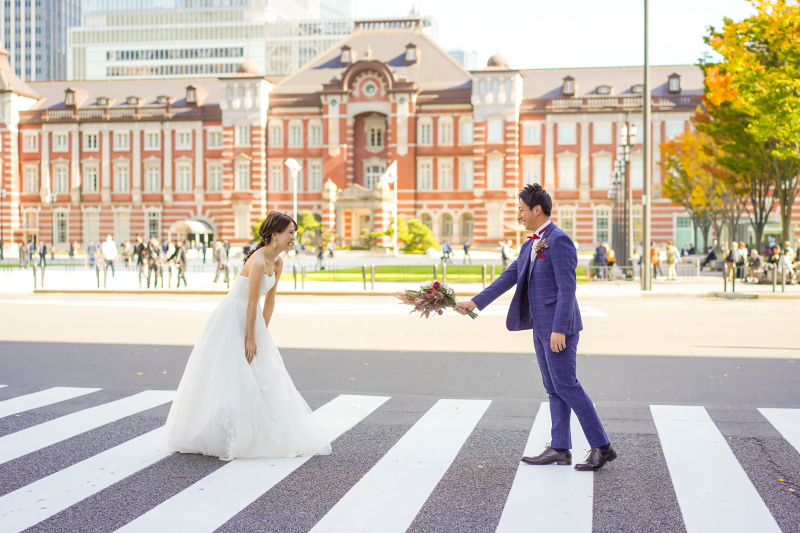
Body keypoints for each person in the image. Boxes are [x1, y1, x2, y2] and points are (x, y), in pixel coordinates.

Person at [455, 184, 616, 471]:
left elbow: (567, 289)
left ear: (536, 210)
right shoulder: (531, 244)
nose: (518, 215)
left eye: (521, 209)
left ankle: (602, 447)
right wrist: (475, 302)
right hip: (541, 326)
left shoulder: (559, 241)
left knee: (566, 385)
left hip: (557, 329)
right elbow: (509, 277)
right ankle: (560, 448)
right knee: (553, 387)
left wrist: (559, 329)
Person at [163, 211, 331, 461]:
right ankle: (215, 433)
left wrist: (262, 333)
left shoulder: (278, 262)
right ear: (275, 235)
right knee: (232, 371)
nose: (293, 238)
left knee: (262, 372)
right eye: (290, 233)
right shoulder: (259, 261)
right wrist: (249, 338)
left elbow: (269, 301)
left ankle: (258, 430)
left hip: (253, 319)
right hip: (234, 315)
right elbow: (252, 302)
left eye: (294, 233)